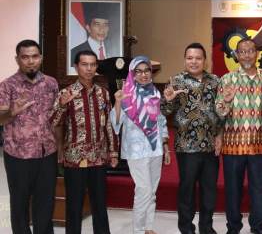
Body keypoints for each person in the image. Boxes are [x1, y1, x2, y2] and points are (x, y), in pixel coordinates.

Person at [215, 38, 262, 234]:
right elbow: (219, 113)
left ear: (256, 53)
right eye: (242, 52)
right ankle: (233, 227)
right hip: (232, 146)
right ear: (236, 55)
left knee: (259, 189)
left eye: (250, 51)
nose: (247, 55)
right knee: (232, 190)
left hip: (259, 145)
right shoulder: (226, 79)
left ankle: (258, 226)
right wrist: (226, 101)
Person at [52, 49, 119, 234]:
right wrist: (62, 105)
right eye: (84, 64)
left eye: (92, 65)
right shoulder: (66, 93)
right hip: (75, 159)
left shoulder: (103, 93)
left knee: (100, 205)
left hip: (98, 157)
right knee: (74, 206)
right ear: (76, 67)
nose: (89, 69)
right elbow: (54, 122)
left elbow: (109, 124)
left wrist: (113, 152)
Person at [161, 43, 222, 234]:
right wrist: (167, 100)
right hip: (186, 146)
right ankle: (186, 228)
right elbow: (165, 111)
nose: (194, 61)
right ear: (185, 60)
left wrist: (220, 135)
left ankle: (206, 227)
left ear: (205, 61)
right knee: (186, 191)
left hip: (210, 146)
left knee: (209, 191)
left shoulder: (215, 81)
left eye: (198, 58)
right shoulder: (176, 81)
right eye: (190, 58)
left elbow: (221, 112)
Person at [0, 39, 58, 234]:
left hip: (47, 152)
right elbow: (0, 119)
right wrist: (12, 112)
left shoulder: (51, 83)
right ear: (17, 59)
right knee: (20, 205)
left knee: (46, 203)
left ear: (40, 58)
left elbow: (56, 117)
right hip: (18, 155)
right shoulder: (7, 85)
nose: (30, 61)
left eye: (34, 56)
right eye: (25, 57)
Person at [111, 56, 171, 234]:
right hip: (135, 151)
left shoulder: (155, 93)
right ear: (132, 73)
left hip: (155, 148)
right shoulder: (126, 94)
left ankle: (148, 227)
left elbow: (161, 121)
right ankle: (138, 230)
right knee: (143, 190)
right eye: (139, 71)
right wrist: (118, 102)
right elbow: (115, 124)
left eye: (147, 71)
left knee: (152, 190)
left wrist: (166, 145)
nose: (143, 75)